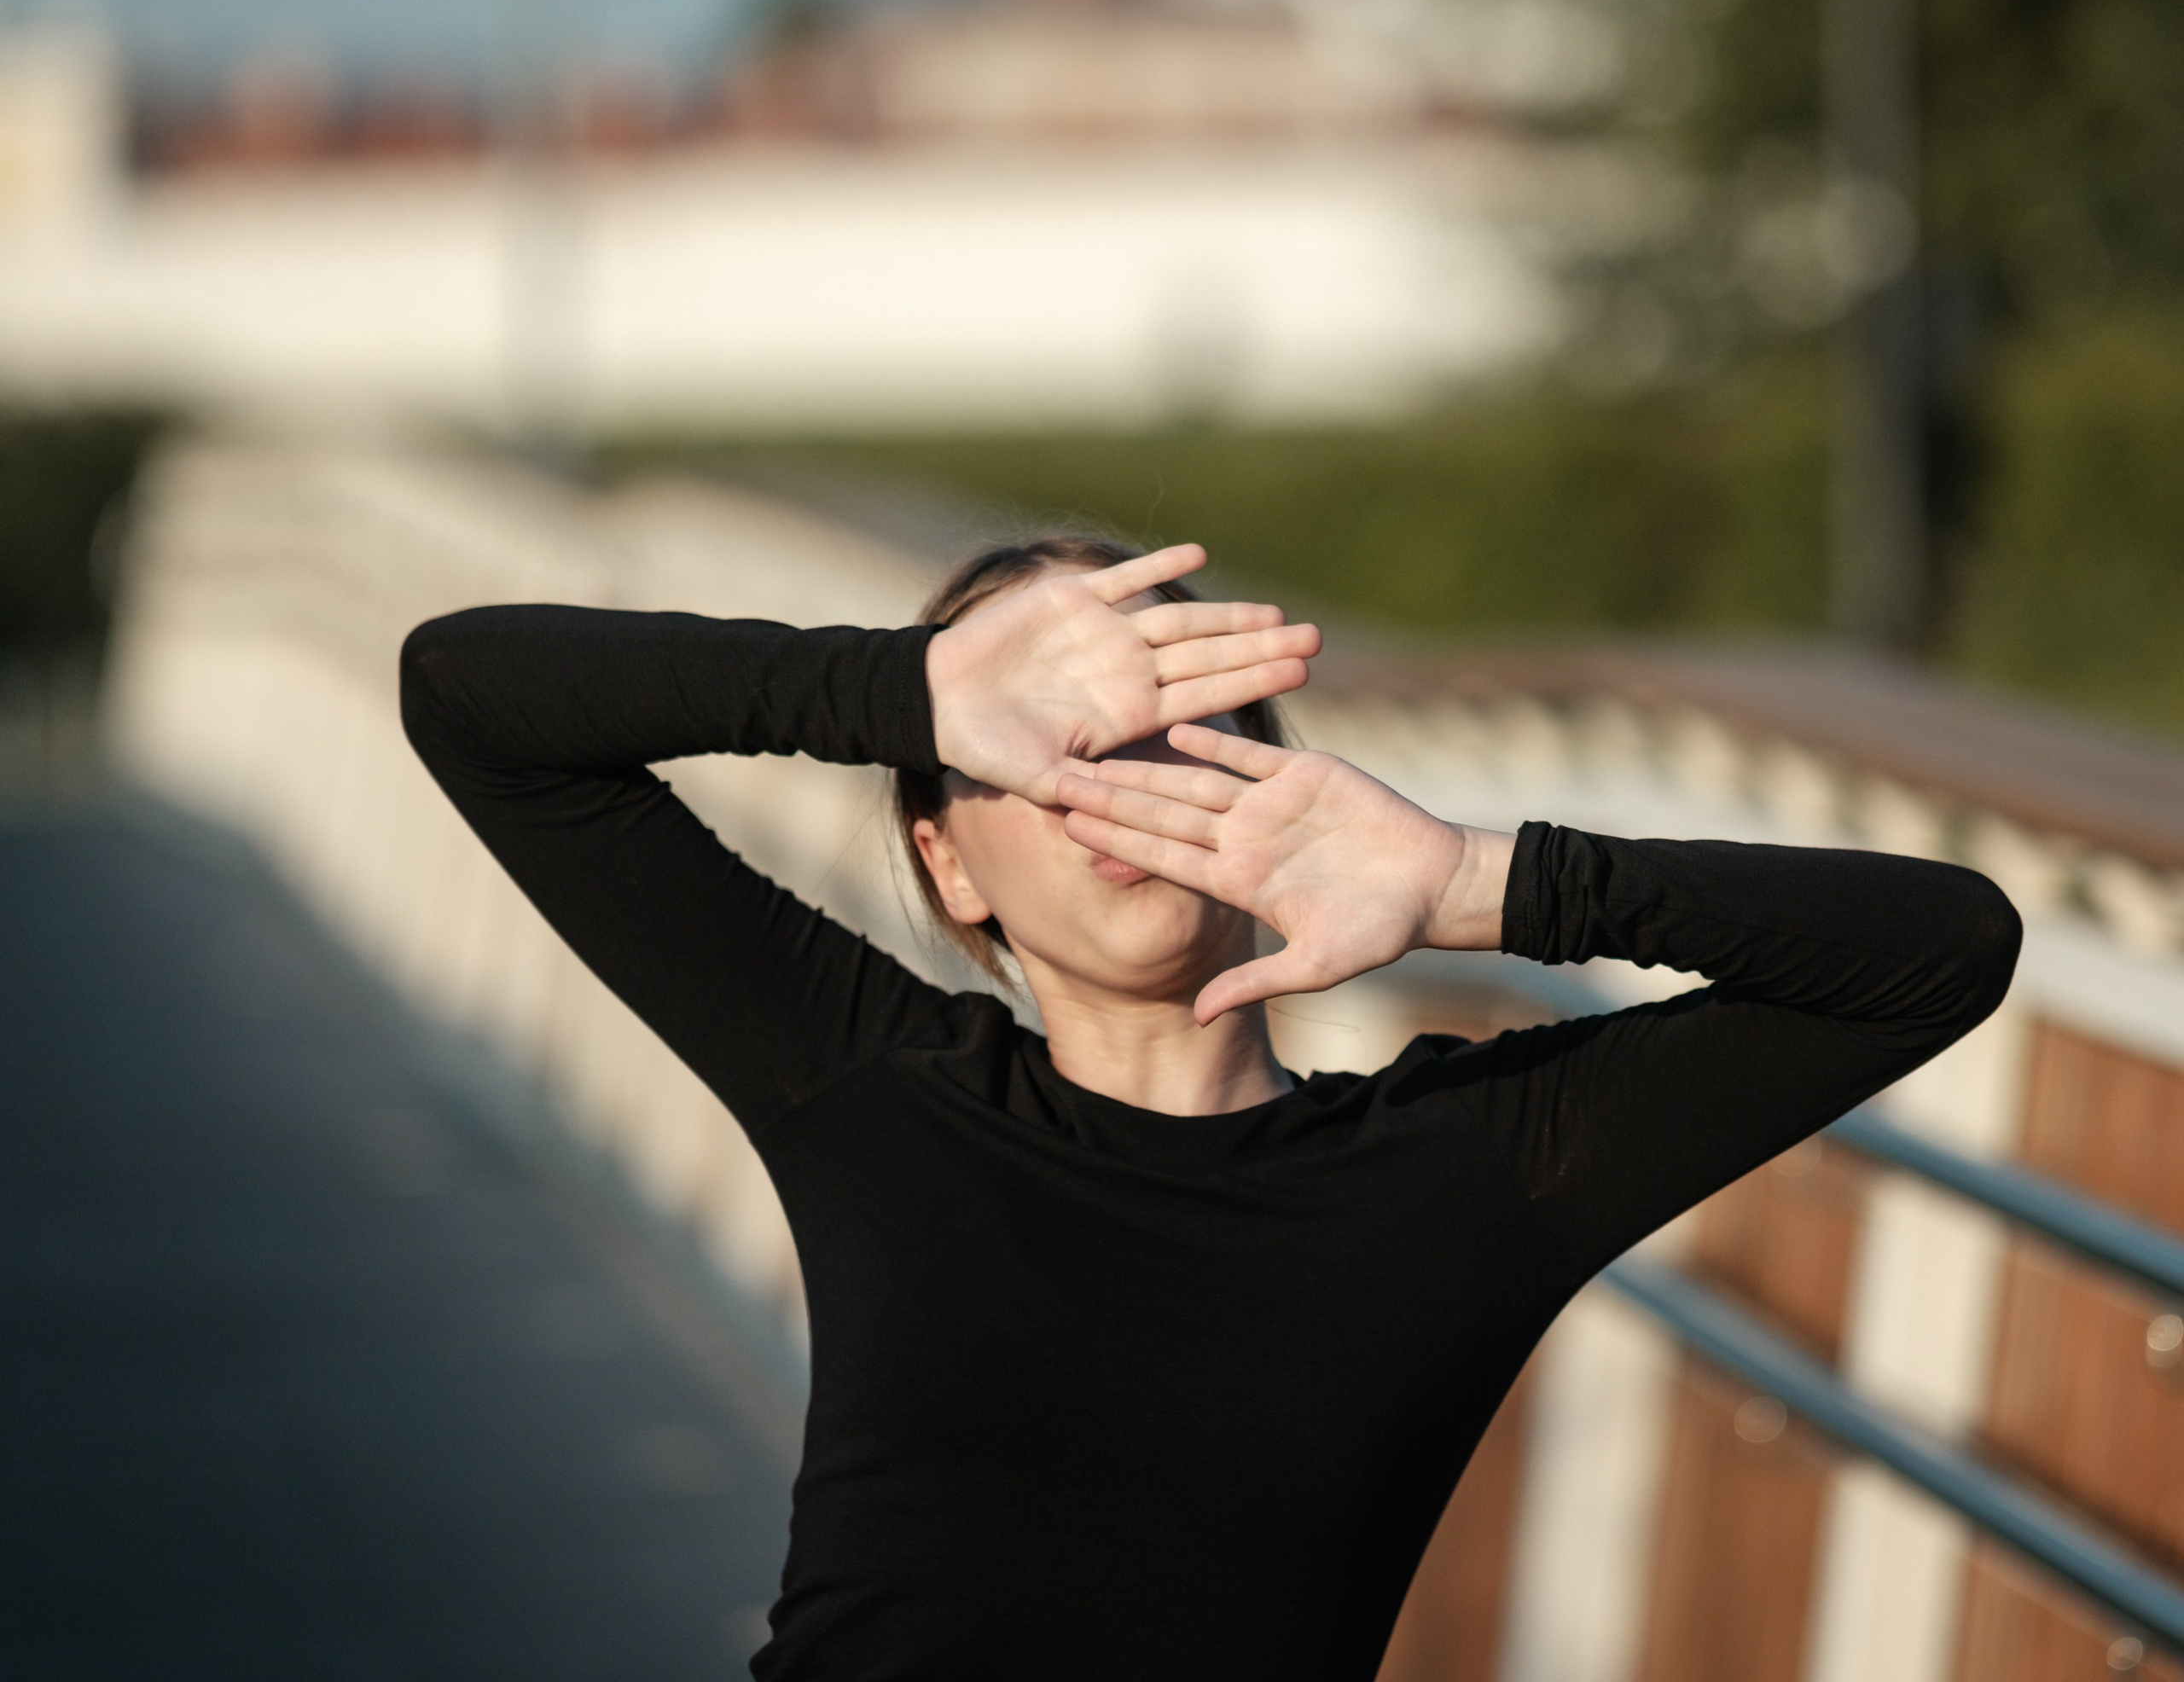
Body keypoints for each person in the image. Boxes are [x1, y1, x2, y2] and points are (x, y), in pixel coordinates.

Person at [399, 536, 2020, 1681]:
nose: (1123, 788)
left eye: (1183, 737)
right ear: (948, 861)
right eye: (1048, 753)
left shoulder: (1473, 1170)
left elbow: (1941, 952)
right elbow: (470, 698)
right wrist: (897, 692)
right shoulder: (870, 1084)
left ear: (1279, 789)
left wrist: (1476, 880)